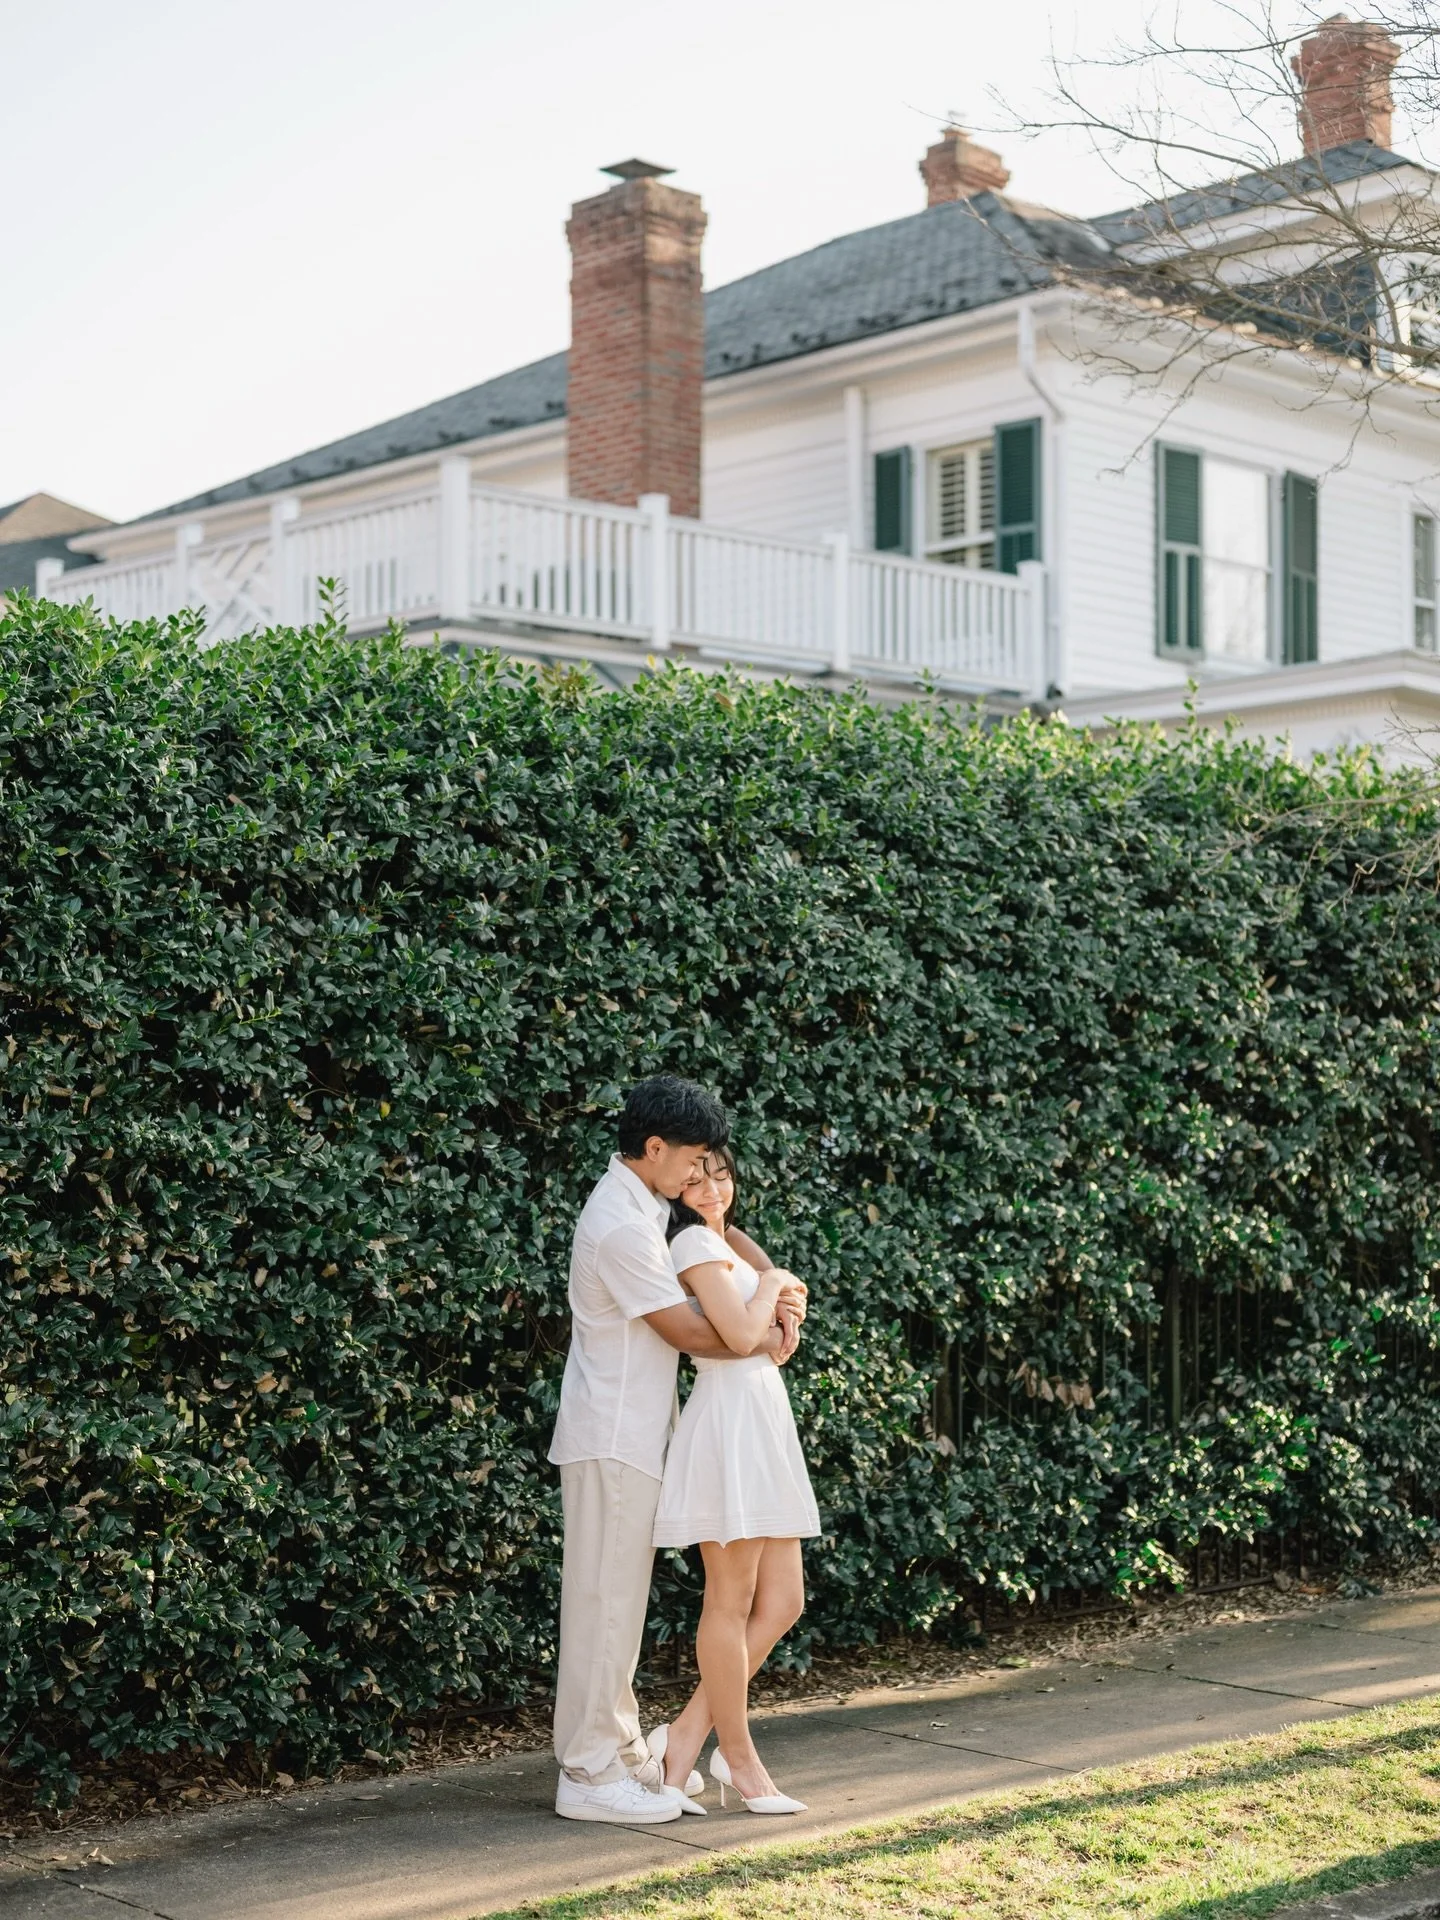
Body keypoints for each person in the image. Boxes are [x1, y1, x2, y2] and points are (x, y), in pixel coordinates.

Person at [548, 1075, 806, 1825]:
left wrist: (767, 1305)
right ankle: (589, 1777)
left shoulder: (645, 1205)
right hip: (613, 1435)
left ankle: (627, 1755)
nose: (700, 1174)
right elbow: (697, 1333)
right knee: (603, 1606)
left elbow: (726, 1272)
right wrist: (773, 1321)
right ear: (653, 1148)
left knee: (619, 1609)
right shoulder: (623, 1225)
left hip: (635, 1434)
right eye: (692, 1158)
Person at [645, 1144, 820, 1815]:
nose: (712, 1187)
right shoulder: (691, 1245)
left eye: (719, 1175)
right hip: (728, 1427)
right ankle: (739, 1758)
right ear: (675, 1193)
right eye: (695, 1180)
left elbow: (773, 1344)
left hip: (763, 1421)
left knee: (782, 1602)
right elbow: (744, 1333)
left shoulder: (728, 1241)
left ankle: (686, 1739)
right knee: (730, 1600)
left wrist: (779, 1303)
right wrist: (776, 1289)